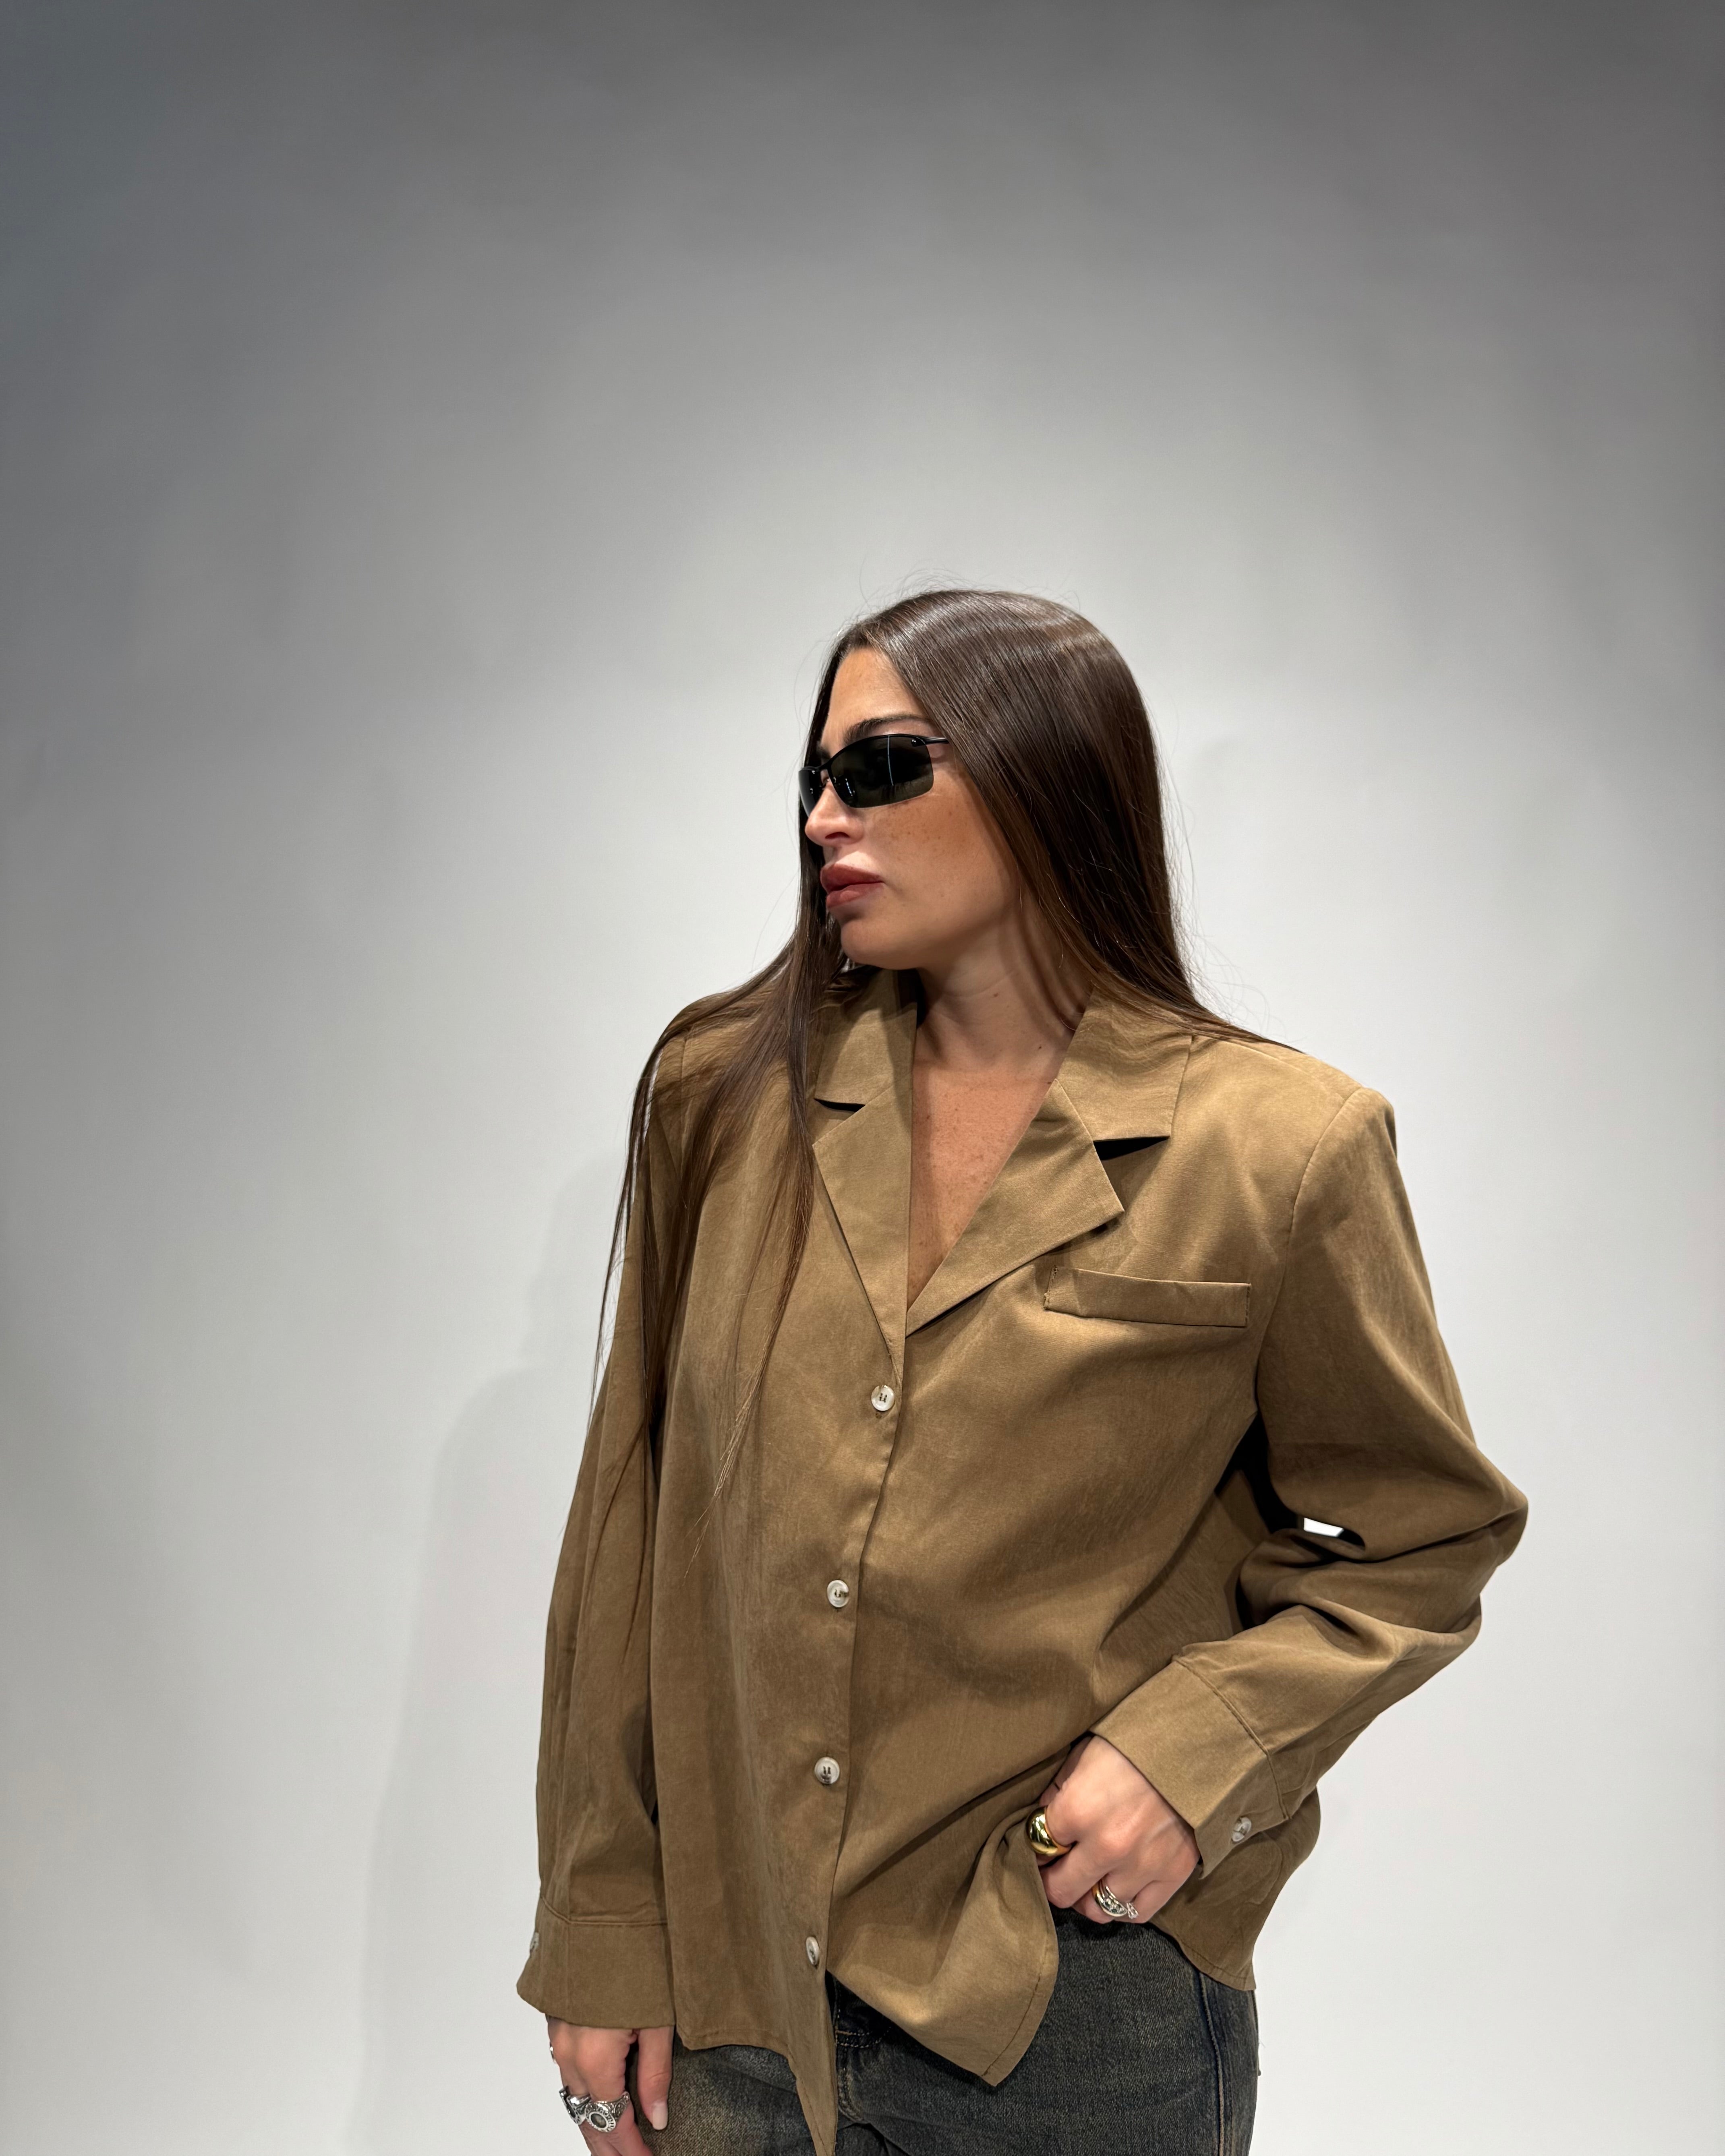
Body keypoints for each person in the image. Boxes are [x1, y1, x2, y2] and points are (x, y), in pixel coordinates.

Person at [518, 589, 1526, 2156]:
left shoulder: (1280, 1148)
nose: (825, 817)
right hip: (738, 2006)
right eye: (814, 777)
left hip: (1076, 2008)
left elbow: (1424, 1538)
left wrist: (1194, 1754)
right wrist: (600, 1924)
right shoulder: (722, 1099)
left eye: (881, 767)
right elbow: (626, 1528)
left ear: (1047, 779)